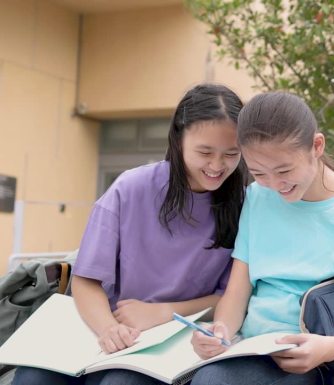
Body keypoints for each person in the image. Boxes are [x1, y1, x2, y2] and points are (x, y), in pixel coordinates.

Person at [12, 83, 247, 385]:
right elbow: (86, 280)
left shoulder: (244, 206)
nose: (217, 165)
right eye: (204, 152)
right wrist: (109, 329)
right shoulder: (131, 188)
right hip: (105, 329)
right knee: (32, 378)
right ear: (178, 139)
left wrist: (163, 312)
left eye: (231, 153)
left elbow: (231, 297)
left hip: (177, 341)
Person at [190, 92, 334, 385]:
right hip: (253, 351)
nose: (275, 185)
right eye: (258, 172)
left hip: (320, 358)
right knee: (209, 380)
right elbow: (237, 293)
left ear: (317, 146)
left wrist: (325, 349)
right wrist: (220, 332)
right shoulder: (258, 196)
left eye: (284, 170)